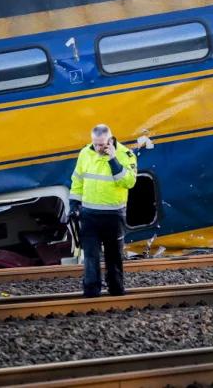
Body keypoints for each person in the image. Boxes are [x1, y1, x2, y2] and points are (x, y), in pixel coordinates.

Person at [67, 123, 137, 297]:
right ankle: (91, 292)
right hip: (89, 214)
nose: (98, 148)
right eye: (95, 144)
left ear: (110, 140)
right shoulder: (85, 153)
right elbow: (77, 181)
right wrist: (74, 205)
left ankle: (116, 289)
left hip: (114, 215)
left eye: (102, 144)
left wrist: (113, 159)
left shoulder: (125, 154)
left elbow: (129, 182)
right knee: (90, 256)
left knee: (114, 256)